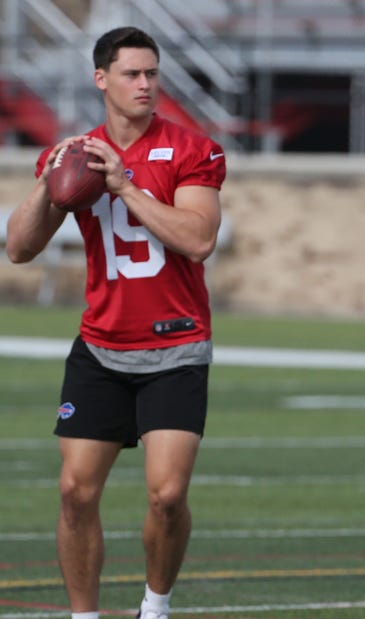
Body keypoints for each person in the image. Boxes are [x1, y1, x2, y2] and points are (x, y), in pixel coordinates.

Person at [5, 27, 226, 619]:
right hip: (101, 346)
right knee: (75, 493)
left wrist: (124, 184)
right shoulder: (80, 153)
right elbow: (19, 249)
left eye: (152, 73)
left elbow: (199, 239)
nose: (146, 84)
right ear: (101, 78)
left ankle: (154, 607)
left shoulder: (191, 149)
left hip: (176, 345)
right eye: (132, 73)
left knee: (168, 495)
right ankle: (84, 616)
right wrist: (53, 178)